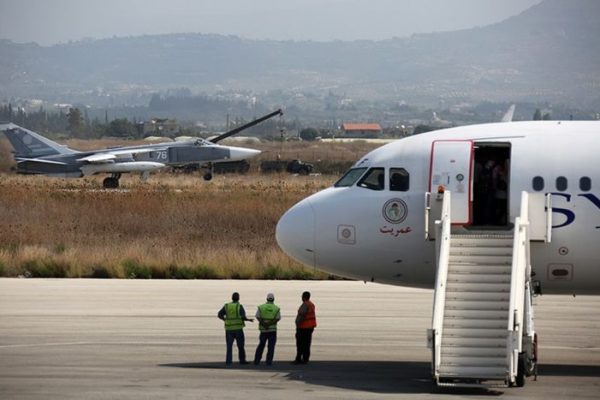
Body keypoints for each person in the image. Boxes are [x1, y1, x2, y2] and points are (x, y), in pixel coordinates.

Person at [217, 292, 253, 365]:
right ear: (238, 298)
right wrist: (248, 320)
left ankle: (228, 361)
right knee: (240, 346)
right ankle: (242, 360)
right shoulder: (239, 306)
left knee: (229, 346)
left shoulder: (227, 306)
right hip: (238, 328)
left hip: (229, 329)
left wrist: (225, 319)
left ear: (232, 298)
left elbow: (219, 314)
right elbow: (243, 316)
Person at [253, 292, 281, 366]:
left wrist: (264, 324)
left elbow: (258, 316)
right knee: (271, 347)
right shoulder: (276, 308)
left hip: (263, 330)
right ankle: (268, 362)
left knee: (261, 345)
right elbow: (277, 318)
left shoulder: (261, 307)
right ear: (273, 299)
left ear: (267, 299)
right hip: (272, 330)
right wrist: (269, 324)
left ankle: (257, 360)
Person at [293, 291, 317, 364]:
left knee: (300, 343)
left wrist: (298, 324)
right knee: (307, 343)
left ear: (303, 297)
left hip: (303, 327)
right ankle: (305, 358)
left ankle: (299, 359)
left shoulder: (305, 305)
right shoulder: (311, 304)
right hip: (310, 327)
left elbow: (302, 315)